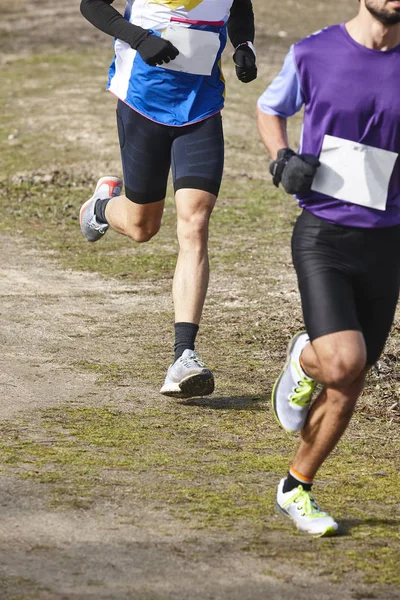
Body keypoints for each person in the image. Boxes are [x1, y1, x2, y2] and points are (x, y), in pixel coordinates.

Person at [257, 0, 400, 536]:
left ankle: (296, 487)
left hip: (387, 241)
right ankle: (308, 356)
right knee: (345, 361)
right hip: (324, 234)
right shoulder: (314, 52)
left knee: (350, 378)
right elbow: (270, 110)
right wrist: (281, 158)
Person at [79, 0, 257, 398]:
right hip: (142, 99)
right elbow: (90, 5)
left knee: (195, 222)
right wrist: (139, 39)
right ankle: (104, 206)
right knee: (144, 227)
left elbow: (240, 5)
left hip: (202, 107)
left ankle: (184, 355)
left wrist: (243, 44)